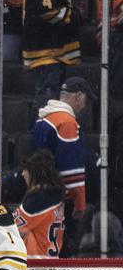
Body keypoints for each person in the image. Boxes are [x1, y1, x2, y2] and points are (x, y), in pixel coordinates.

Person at [32, 76, 89, 222]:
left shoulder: (43, 118)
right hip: (60, 198)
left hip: (41, 194)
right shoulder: (67, 123)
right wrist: (80, 203)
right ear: (78, 96)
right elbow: (71, 169)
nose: (84, 104)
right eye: (85, 99)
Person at [15, 150, 66, 257]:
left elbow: (11, 229)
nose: (23, 173)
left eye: (26, 169)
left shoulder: (38, 200)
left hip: (35, 266)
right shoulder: (56, 195)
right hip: (51, 263)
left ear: (35, 171)